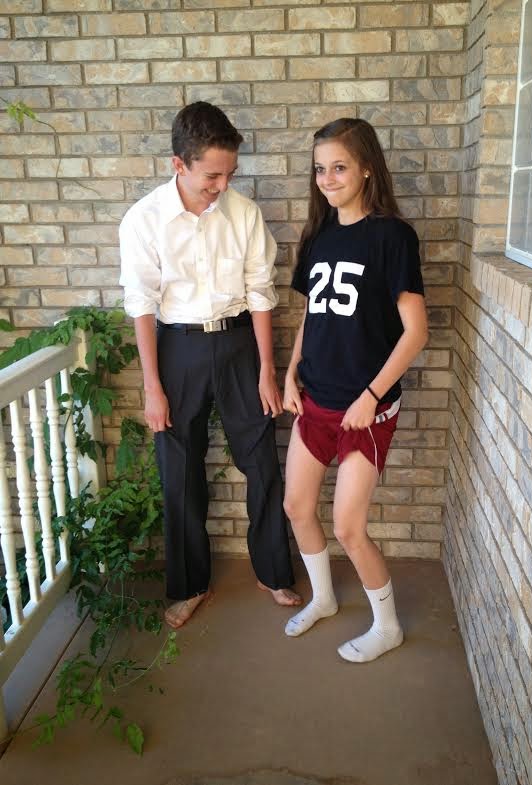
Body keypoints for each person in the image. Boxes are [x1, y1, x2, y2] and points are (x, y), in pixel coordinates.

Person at [119, 101, 301, 629]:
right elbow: (141, 304)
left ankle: (273, 571)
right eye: (212, 176)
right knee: (178, 471)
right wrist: (152, 387)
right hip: (177, 349)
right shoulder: (144, 219)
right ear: (179, 164)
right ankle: (188, 585)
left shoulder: (243, 214)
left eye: (230, 174)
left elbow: (260, 292)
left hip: (240, 344)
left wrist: (266, 368)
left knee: (262, 460)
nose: (222, 186)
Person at [282, 118, 428, 662]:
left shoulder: (393, 236)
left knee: (348, 526)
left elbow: (416, 332)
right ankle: (323, 598)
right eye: (320, 169)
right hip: (315, 400)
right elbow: (312, 315)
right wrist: (290, 371)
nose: (327, 178)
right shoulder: (318, 235)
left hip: (366, 409)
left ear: (367, 168)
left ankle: (387, 627)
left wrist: (371, 395)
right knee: (297, 506)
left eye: (339, 167)